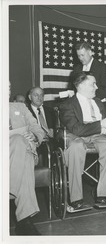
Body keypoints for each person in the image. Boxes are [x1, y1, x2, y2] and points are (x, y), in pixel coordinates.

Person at [59, 71, 106, 210]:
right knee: (76, 147)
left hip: (97, 135)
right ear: (81, 85)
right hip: (77, 135)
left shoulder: (98, 102)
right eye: (93, 84)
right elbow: (76, 129)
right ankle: (76, 199)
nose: (97, 87)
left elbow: (104, 123)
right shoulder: (67, 104)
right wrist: (100, 125)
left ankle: (105, 195)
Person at [9, 82, 45, 235]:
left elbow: (36, 126)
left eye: (9, 86)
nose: (8, 89)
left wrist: (35, 137)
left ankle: (8, 191)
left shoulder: (20, 107)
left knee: (22, 145)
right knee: (20, 144)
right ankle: (24, 220)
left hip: (25, 149)